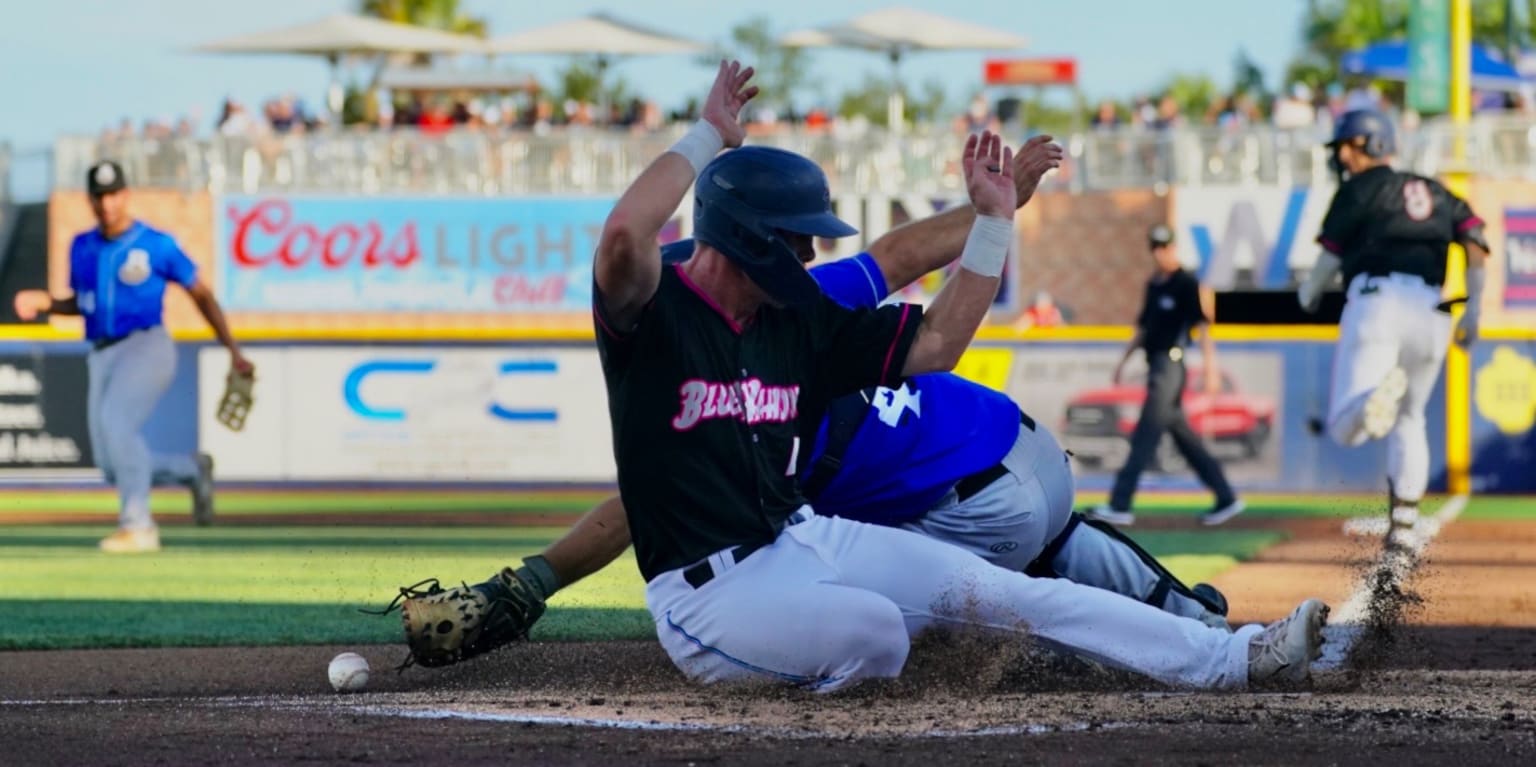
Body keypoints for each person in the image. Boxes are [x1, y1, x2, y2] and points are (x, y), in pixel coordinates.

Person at [386, 61, 1327, 693]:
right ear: (747, 236)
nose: (811, 251)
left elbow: (937, 347)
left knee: (1003, 595)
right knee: (879, 633)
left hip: (806, 537)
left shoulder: (799, 317)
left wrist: (993, 224)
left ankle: (1238, 656)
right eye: (797, 237)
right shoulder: (653, 314)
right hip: (704, 596)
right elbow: (626, 236)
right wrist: (705, 138)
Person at [12, 160, 253, 553]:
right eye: (100, 196)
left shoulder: (155, 244)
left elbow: (202, 295)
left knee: (117, 425)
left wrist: (233, 350)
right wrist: (48, 303)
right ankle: (193, 470)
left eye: (114, 194)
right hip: (101, 353)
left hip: (146, 345)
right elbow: (84, 303)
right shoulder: (82, 247)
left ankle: (138, 525)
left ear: (126, 195)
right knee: (112, 464)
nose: (107, 203)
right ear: (91, 200)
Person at [1298, 109, 1489, 532]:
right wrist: (1474, 309)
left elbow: (1328, 259)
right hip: (1432, 310)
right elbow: (1475, 244)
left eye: (1346, 146)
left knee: (1347, 429)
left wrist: (1308, 291)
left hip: (1378, 304)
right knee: (1411, 418)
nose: (1342, 157)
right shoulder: (1437, 191)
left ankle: (1369, 404)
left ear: (1369, 143)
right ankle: (1403, 527)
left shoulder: (1360, 189)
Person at [1086, 225, 1245, 527]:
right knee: (1185, 439)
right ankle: (1226, 498)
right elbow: (1143, 329)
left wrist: (1211, 370)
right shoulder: (1154, 285)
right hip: (1155, 364)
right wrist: (1123, 363)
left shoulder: (1186, 283)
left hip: (1171, 367)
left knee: (1145, 434)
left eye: (1165, 246)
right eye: (1156, 247)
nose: (1160, 252)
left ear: (1173, 248)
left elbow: (1203, 328)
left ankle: (1120, 503)